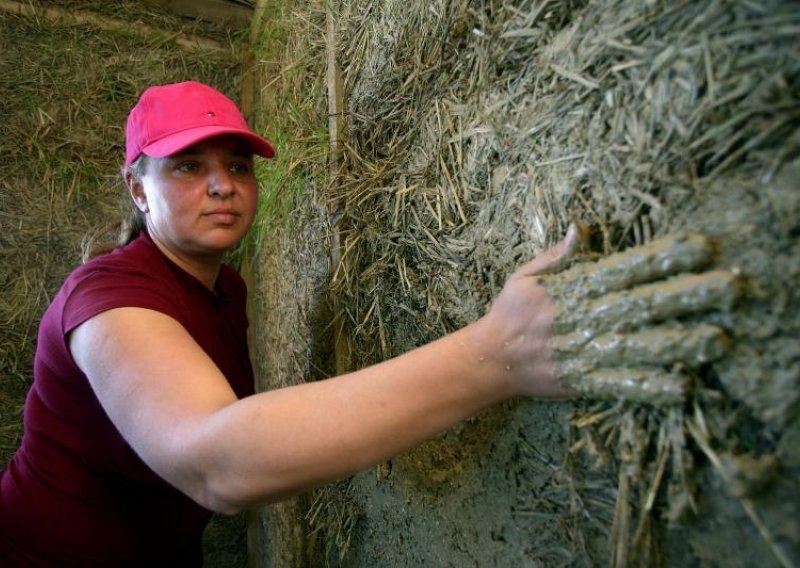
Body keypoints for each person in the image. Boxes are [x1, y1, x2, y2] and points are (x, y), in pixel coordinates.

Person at [0, 81, 575, 566]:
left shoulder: (227, 287)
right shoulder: (107, 298)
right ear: (137, 188)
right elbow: (217, 464)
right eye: (188, 166)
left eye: (238, 165)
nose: (223, 184)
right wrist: (497, 355)